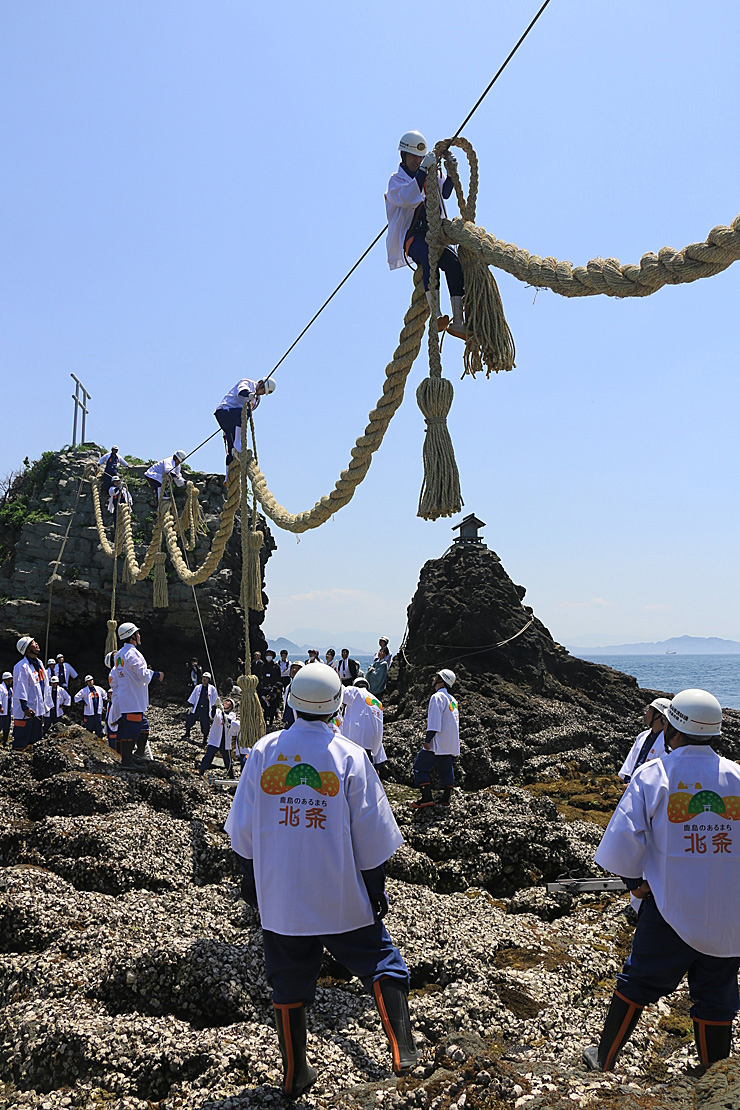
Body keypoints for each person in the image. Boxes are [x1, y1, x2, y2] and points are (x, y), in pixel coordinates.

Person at [224, 662, 417, 1097]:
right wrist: (375, 890)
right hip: (339, 891)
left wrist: (252, 887)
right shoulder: (351, 756)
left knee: (288, 979)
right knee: (381, 961)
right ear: (337, 707)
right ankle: (403, 1049)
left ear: (290, 701)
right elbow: (371, 837)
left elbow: (242, 833)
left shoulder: (264, 751)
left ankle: (295, 1073)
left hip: (282, 897)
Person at [583, 688, 740, 1072]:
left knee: (637, 982)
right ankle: (715, 1077)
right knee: (716, 997)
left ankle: (604, 1059)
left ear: (672, 728)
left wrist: (633, 881)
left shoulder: (654, 774)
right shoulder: (737, 776)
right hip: (728, 912)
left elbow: (625, 838)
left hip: (669, 906)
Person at [386, 131, 466, 340]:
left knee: (454, 264)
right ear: (404, 155)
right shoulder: (396, 181)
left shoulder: (430, 173)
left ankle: (458, 321)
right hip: (414, 237)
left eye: (420, 157)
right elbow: (408, 197)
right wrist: (423, 170)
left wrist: (451, 173)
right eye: (413, 156)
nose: (417, 160)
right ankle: (436, 314)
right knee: (429, 257)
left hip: (435, 233)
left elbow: (444, 192)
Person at [113, 622, 164, 768]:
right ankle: (127, 761)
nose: (139, 636)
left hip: (125, 697)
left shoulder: (119, 654)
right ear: (132, 636)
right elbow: (143, 675)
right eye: (137, 633)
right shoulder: (132, 653)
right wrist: (156, 674)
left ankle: (127, 757)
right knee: (132, 729)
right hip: (133, 699)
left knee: (127, 728)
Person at [411, 669, 459, 809]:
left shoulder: (437, 697)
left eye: (436, 677)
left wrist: (428, 740)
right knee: (446, 769)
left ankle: (426, 798)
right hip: (450, 742)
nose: (433, 678)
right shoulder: (453, 700)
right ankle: (446, 798)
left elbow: (434, 722)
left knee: (419, 768)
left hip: (438, 741)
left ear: (441, 681)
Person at [215, 378, 277, 466]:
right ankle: (238, 442)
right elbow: (241, 392)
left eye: (264, 393)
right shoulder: (247, 383)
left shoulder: (257, 400)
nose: (262, 393)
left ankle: (228, 474)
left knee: (231, 450)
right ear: (260, 383)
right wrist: (249, 394)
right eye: (263, 390)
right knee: (245, 412)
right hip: (224, 413)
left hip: (234, 420)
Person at [12, 636, 51, 751]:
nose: (36, 644)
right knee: (21, 741)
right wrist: (25, 707)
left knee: (35, 741)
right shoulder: (21, 666)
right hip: (26, 712)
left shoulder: (39, 664)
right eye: (33, 643)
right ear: (27, 649)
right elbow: (21, 687)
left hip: (37, 710)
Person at [619, 698, 671, 783]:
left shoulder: (668, 743)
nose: (645, 713)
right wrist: (628, 781)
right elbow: (629, 765)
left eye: (649, 710)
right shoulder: (642, 736)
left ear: (659, 716)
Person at [341, 678, 386, 766]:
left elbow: (339, 692)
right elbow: (379, 730)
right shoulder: (378, 703)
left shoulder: (355, 691)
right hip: (369, 747)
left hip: (352, 745)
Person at [199, 697, 239, 778]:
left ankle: (231, 775)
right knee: (208, 756)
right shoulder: (218, 711)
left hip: (225, 740)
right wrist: (214, 706)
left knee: (227, 759)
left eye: (228, 702)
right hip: (215, 739)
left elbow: (231, 722)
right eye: (226, 701)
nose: (226, 702)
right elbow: (212, 715)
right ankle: (201, 771)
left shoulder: (232, 714)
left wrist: (224, 714)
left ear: (231, 706)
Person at [185, 672, 217, 742]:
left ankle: (205, 738)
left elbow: (215, 700)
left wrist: (213, 709)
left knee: (205, 723)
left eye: (206, 678)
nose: (204, 679)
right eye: (203, 677)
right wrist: (191, 705)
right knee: (189, 719)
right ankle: (187, 732)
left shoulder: (212, 689)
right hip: (197, 707)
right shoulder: (197, 687)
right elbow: (193, 697)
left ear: (209, 680)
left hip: (206, 709)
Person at [281, 661, 304, 729]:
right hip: (289, 721)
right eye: (293, 668)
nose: (294, 670)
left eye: (298, 669)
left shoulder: (304, 688)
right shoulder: (288, 687)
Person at [0, 672, 12, 746]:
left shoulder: (10, 689)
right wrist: (0, 706)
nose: (11, 681)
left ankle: (5, 741)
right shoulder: (1, 688)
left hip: (8, 711)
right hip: (2, 712)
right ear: (6, 680)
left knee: (7, 727)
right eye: (10, 679)